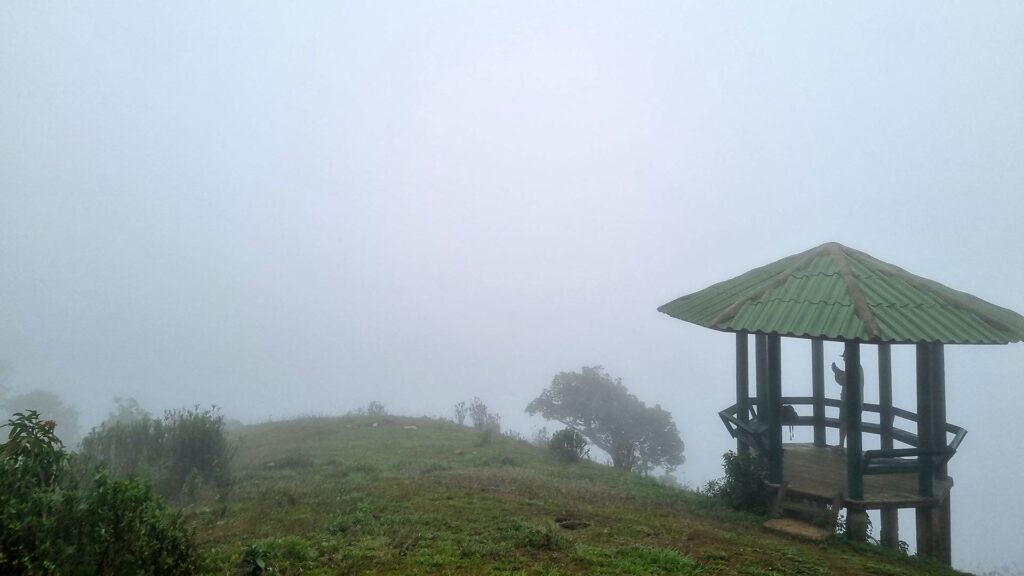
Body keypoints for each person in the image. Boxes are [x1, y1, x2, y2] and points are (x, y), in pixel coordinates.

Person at [831, 352, 864, 450]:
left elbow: (844, 379)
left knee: (844, 423)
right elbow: (847, 376)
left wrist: (836, 371)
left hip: (849, 402)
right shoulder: (857, 367)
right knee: (850, 424)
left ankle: (844, 446)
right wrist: (837, 371)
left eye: (845, 357)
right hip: (856, 402)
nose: (844, 360)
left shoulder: (855, 367)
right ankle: (850, 447)